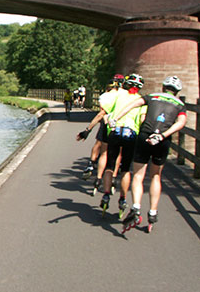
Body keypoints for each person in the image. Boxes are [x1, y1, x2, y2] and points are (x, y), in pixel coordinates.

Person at [114, 76, 187, 233]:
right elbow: (180, 123)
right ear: (177, 92)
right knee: (155, 176)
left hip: (145, 135)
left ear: (163, 87)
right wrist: (163, 135)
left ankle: (136, 207)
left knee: (138, 175)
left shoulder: (152, 97)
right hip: (162, 139)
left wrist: (116, 118)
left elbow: (132, 105)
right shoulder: (180, 105)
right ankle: (152, 213)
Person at [99, 73, 145, 217]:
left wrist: (108, 124)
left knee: (110, 165)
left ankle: (106, 194)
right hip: (131, 134)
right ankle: (123, 199)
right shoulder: (141, 100)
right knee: (125, 168)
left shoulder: (118, 94)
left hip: (115, 131)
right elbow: (143, 120)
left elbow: (104, 110)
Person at [76, 74, 125, 194]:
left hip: (107, 125)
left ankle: (97, 177)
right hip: (121, 125)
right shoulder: (124, 95)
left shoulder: (104, 96)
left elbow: (101, 114)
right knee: (118, 154)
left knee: (103, 153)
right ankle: (113, 178)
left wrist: (88, 129)